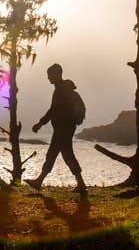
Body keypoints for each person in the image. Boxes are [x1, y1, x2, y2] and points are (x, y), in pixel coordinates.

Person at [25, 63, 87, 193]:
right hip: (62, 128)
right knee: (52, 154)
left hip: (64, 128)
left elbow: (53, 110)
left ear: (57, 74)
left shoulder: (61, 90)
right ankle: (39, 181)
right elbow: (55, 110)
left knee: (67, 155)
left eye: (50, 75)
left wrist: (40, 123)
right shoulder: (62, 88)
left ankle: (81, 184)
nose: (48, 78)